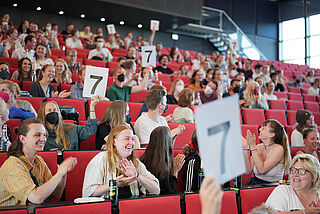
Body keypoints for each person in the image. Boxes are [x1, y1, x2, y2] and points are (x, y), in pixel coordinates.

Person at [0, 118, 78, 206]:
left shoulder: (39, 161)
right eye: (37, 135)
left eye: (44, 135)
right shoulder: (13, 165)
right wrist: (59, 174)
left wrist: (64, 173)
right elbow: (37, 198)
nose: (43, 139)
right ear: (22, 139)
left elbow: (56, 194)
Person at [82, 125, 160, 198]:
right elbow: (88, 193)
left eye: (132, 139)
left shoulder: (134, 162)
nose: (131, 143)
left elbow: (156, 190)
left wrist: (137, 176)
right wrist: (116, 184)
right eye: (127, 138)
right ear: (114, 142)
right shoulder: (100, 160)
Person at [242, 119, 291, 185]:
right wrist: (246, 148)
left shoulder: (279, 149)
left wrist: (253, 147)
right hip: (255, 184)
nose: (259, 129)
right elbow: (248, 170)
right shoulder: (258, 147)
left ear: (271, 134)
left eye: (263, 128)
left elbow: (261, 170)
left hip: (271, 187)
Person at [140, 126, 185, 194]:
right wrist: (176, 171)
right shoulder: (161, 165)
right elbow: (169, 193)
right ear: (167, 143)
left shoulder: (143, 158)